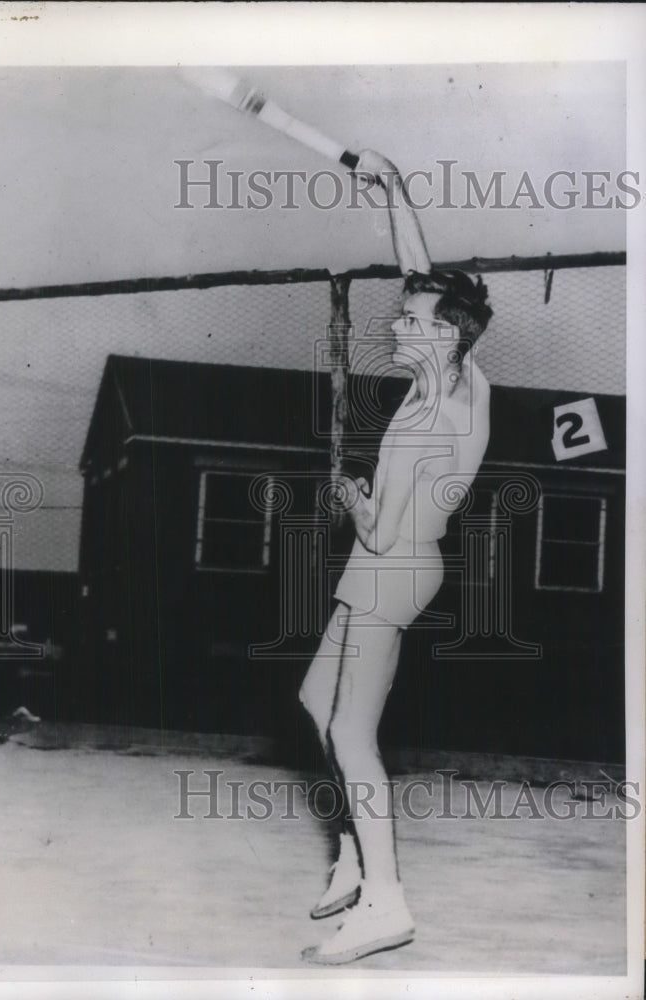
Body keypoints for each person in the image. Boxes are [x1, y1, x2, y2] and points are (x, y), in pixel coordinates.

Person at [299, 150, 493, 965]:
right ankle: (350, 849)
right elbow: (423, 274)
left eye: (407, 319)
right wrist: (396, 187)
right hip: (389, 564)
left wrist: (350, 497)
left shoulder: (426, 425)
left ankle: (385, 900)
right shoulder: (459, 374)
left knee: (350, 734)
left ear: (441, 334)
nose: (393, 323)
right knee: (315, 698)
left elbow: (380, 534)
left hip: (392, 567)